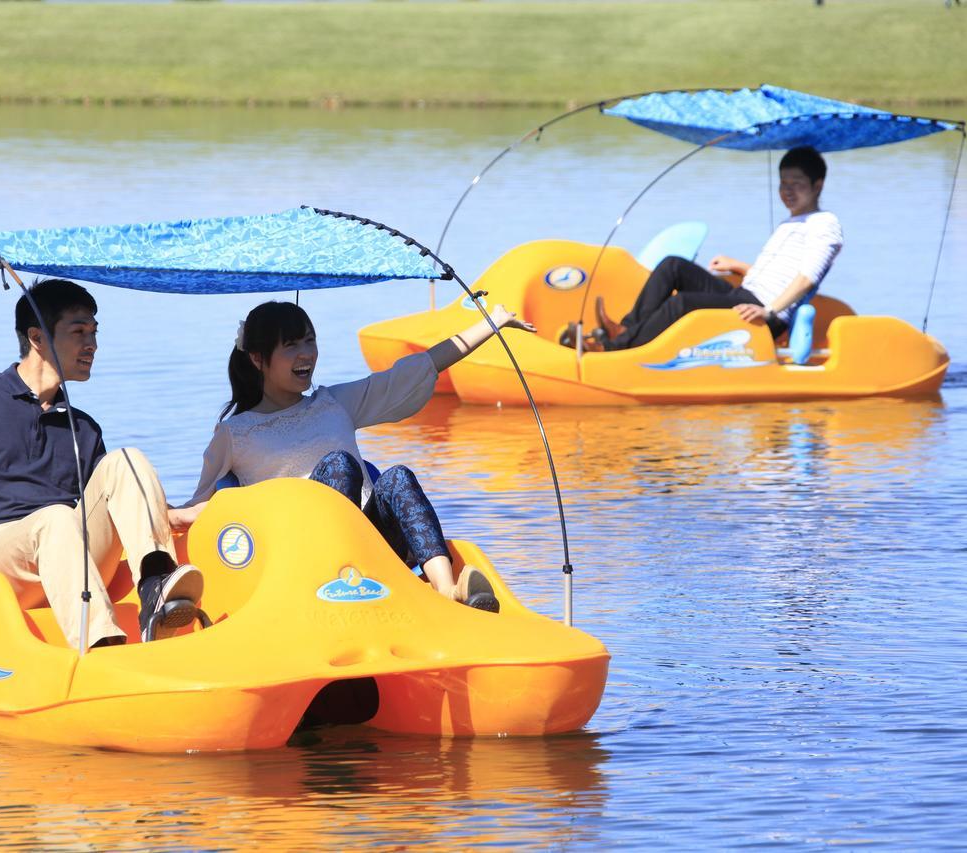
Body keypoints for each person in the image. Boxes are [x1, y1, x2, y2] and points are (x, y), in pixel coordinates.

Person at [0, 278, 202, 649]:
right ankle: (101, 648)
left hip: (69, 554)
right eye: (78, 332)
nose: (92, 345)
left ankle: (155, 587)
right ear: (37, 338)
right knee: (55, 518)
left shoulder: (84, 428)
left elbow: (124, 508)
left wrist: (184, 515)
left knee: (127, 459)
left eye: (94, 332)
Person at [183, 300, 534, 611]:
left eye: (310, 340)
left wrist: (492, 323)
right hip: (297, 555)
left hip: (371, 546)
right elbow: (206, 504)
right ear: (258, 358)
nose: (306, 353)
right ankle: (333, 582)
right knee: (339, 465)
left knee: (397, 476)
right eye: (291, 346)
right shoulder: (235, 433)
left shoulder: (334, 403)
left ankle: (445, 590)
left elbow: (415, 370)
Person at [590, 146, 843, 351]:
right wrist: (737, 265)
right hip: (745, 296)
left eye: (796, 184)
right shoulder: (790, 222)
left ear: (817, 185)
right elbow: (778, 273)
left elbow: (807, 278)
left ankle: (616, 348)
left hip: (765, 314)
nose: (787, 191)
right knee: (673, 266)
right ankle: (626, 329)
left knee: (684, 303)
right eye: (783, 183)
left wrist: (768, 311)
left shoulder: (825, 224)